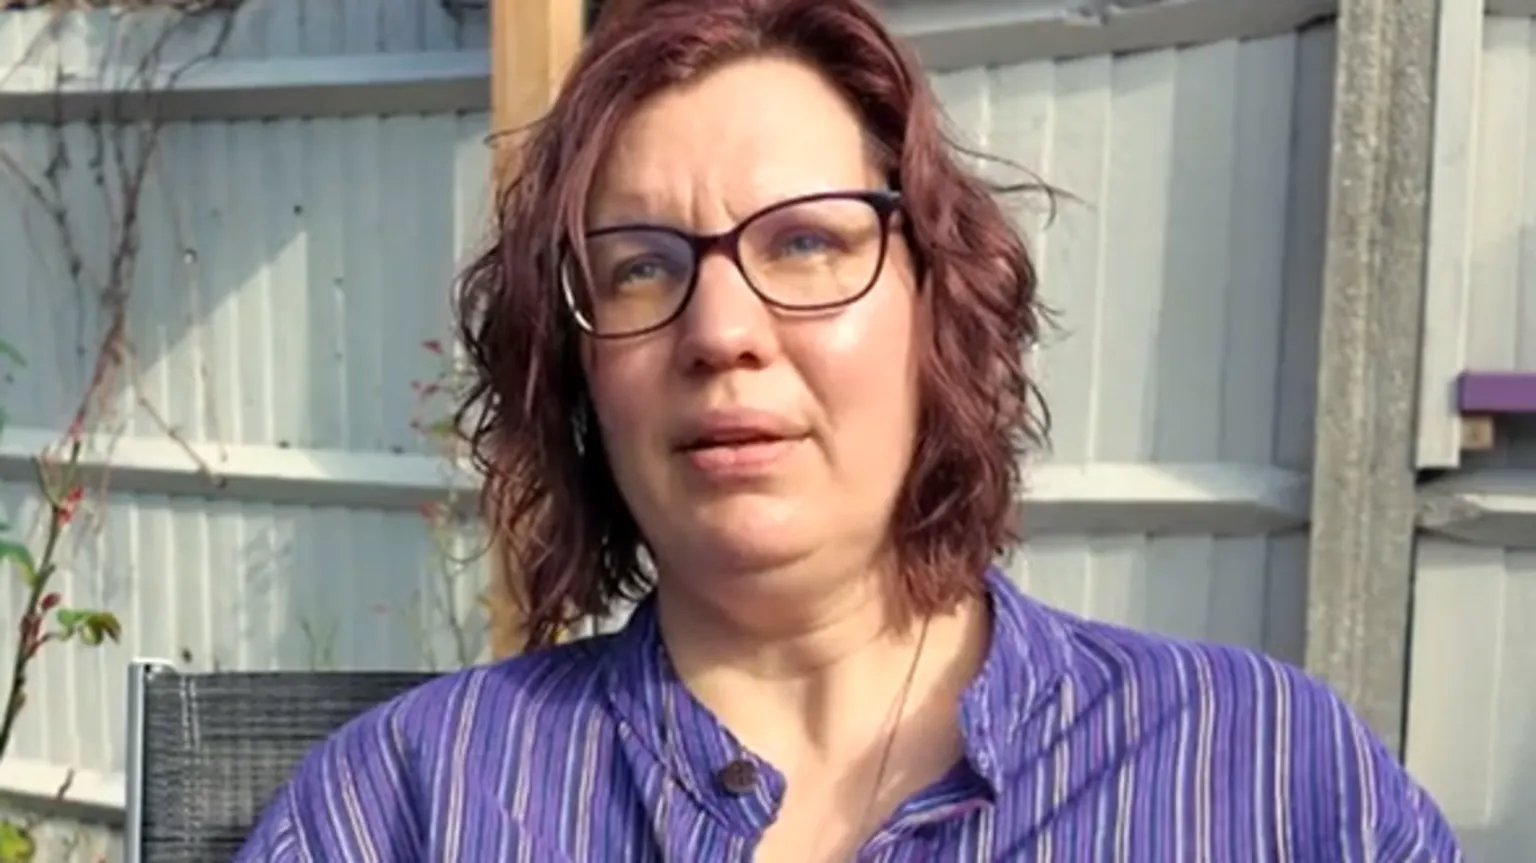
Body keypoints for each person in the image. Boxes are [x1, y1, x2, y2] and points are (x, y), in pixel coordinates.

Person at [234, 0, 1464, 859]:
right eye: (641, 268)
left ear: (941, 303)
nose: (721, 328)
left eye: (808, 241)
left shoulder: (1267, 775)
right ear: (577, 374)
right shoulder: (410, 804)